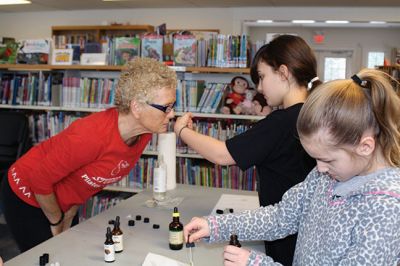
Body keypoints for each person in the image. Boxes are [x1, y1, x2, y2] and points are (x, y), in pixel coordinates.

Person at [184, 69, 400, 265]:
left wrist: (258, 264)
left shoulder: (386, 208)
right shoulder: (324, 176)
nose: (320, 169)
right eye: (315, 159)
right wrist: (215, 226)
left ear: (364, 147)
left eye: (328, 160)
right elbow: (281, 217)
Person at [0, 57, 177, 252]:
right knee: (44, 257)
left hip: (61, 204)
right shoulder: (90, 136)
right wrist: (56, 220)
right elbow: (38, 179)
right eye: (166, 107)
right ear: (136, 107)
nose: (171, 114)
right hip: (26, 195)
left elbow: (87, 179)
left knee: (67, 255)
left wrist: (70, 211)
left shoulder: (143, 134)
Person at [174, 35, 318, 265]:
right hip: (302, 231)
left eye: (262, 77)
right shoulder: (314, 113)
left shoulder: (281, 121)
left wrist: (182, 131)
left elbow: (222, 154)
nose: (259, 87)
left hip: (285, 237)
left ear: (283, 72)